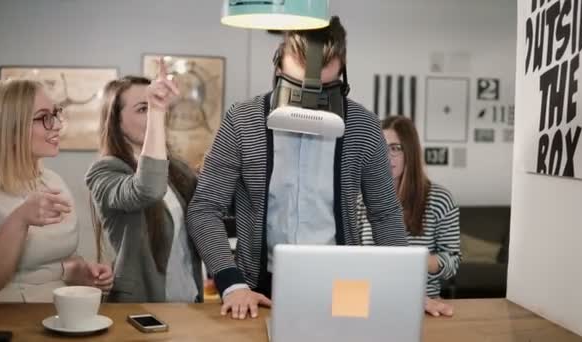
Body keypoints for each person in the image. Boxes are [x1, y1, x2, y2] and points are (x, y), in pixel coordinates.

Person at [187, 16, 447, 320]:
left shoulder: (363, 126)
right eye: (295, 87)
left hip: (344, 283)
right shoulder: (243, 120)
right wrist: (231, 284)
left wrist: (407, 288)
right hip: (257, 287)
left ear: (342, 73)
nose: (308, 103)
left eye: (324, 89)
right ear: (278, 68)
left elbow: (385, 213)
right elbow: (204, 208)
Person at [0, 79, 113, 302]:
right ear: (10, 128)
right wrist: (20, 219)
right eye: (44, 118)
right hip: (1, 320)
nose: (58, 125)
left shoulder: (53, 182)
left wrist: (83, 272)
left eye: (55, 114)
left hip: (59, 313)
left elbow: (59, 260)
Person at [85, 69, 203, 303]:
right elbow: (148, 188)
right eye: (143, 108)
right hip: (140, 307)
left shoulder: (176, 169)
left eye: (156, 106)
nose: (153, 113)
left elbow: (209, 212)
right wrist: (157, 112)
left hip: (188, 299)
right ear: (115, 120)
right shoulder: (104, 172)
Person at [357, 116, 461, 316]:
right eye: (381, 147)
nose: (387, 156)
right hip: (373, 301)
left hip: (424, 304)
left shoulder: (440, 199)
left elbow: (452, 263)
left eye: (395, 148)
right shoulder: (361, 198)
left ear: (410, 152)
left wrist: (416, 260)